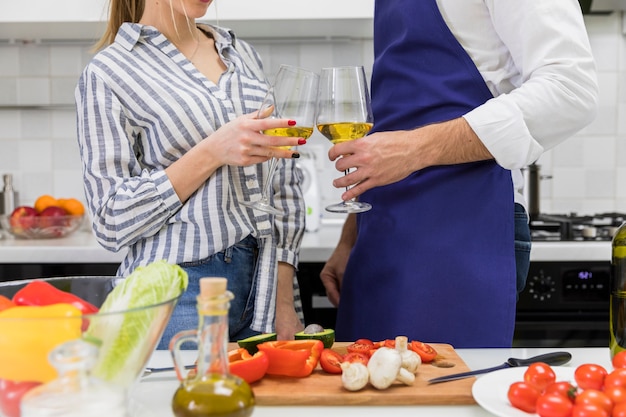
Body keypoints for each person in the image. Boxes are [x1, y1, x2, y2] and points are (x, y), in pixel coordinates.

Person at [321, 0, 599, 348]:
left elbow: (571, 90)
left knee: (443, 389)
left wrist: (414, 149)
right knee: (368, 389)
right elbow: (400, 122)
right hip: (381, 233)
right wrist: (352, 236)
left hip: (463, 226)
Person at [75, 0, 307, 349]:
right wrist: (212, 151)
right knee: (181, 403)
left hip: (264, 290)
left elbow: (284, 180)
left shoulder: (242, 55)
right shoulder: (109, 72)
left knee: (263, 405)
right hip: (177, 293)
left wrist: (284, 299)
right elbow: (110, 219)